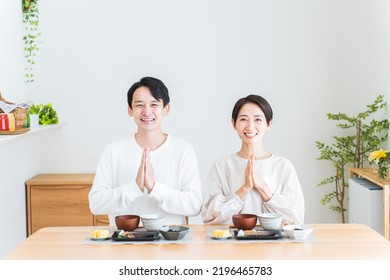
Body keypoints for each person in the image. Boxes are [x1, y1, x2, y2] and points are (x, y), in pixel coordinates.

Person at [89, 76, 203, 226]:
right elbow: (96, 204)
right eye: (139, 105)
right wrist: (134, 188)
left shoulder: (183, 150)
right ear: (130, 110)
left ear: (166, 109)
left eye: (154, 104)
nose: (147, 111)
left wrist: (155, 188)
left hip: (170, 244)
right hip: (123, 243)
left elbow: (194, 206)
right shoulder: (113, 151)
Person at [202, 94, 304, 225]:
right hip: (231, 244)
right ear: (234, 124)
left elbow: (296, 218)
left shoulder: (283, 166)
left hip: (275, 244)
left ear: (269, 124)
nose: (250, 127)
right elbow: (210, 218)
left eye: (258, 119)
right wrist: (245, 188)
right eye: (243, 119)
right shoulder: (222, 165)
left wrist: (262, 187)